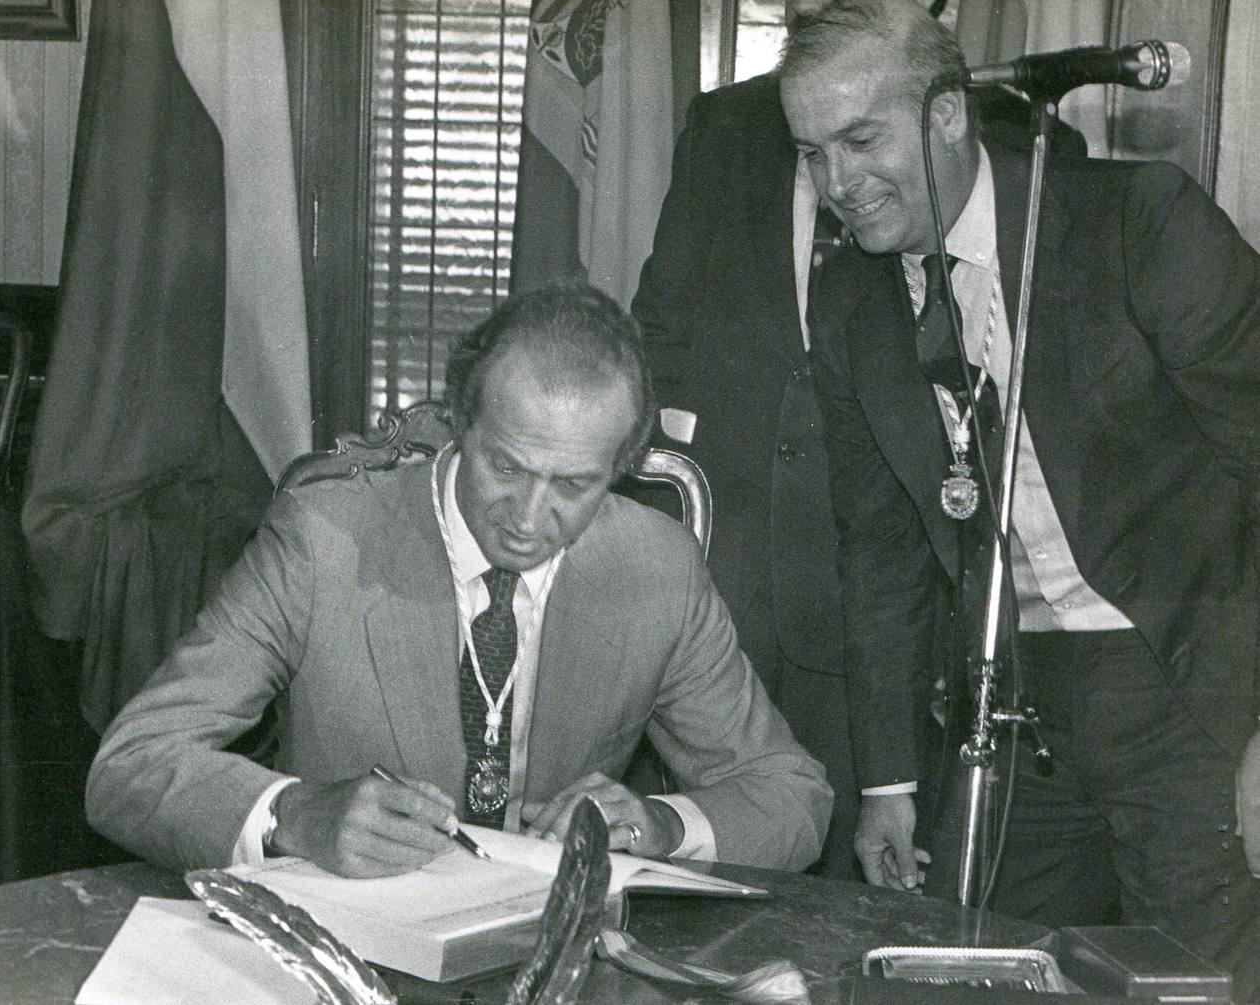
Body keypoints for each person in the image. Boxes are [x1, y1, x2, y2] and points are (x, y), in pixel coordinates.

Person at [786, 0, 1260, 995]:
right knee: (973, 976)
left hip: (1189, 680)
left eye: (861, 140)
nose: (837, 184)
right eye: (811, 152)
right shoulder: (850, 302)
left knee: (1197, 984)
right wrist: (888, 782)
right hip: (1011, 706)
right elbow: (878, 552)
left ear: (949, 112)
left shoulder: (1140, 224)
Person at [87, 283, 832, 878]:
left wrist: (662, 824)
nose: (529, 518)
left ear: (622, 468)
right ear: (458, 424)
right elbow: (130, 765)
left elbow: (791, 795)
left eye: (575, 484)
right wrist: (293, 816)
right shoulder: (323, 539)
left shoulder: (656, 566)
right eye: (505, 467)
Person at [631, 1, 1085, 880]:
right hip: (738, 567)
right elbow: (662, 332)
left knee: (870, 880)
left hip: (894, 592)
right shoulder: (726, 124)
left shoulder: (1012, 138)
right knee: (707, 867)